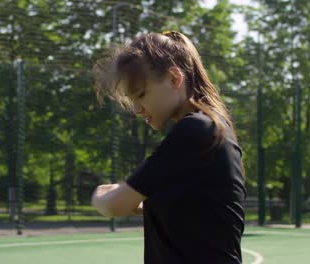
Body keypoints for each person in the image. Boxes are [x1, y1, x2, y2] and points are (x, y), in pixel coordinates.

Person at [91, 31, 246, 264]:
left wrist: (98, 194)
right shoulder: (210, 128)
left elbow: (113, 205)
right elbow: (194, 210)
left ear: (174, 78)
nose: (137, 109)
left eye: (141, 95)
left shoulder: (194, 131)